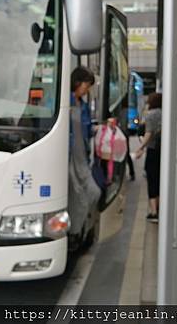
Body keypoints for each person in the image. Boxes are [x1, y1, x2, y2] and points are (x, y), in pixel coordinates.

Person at [68, 66, 102, 237]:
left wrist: (97, 129)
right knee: (76, 195)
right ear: (77, 82)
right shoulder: (64, 102)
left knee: (93, 193)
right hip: (68, 156)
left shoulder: (84, 106)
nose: (87, 89)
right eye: (86, 85)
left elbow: (87, 129)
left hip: (82, 155)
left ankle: (77, 227)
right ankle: (74, 232)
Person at [135, 92, 162, 223]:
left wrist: (140, 148)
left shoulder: (151, 115)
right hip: (163, 151)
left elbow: (148, 134)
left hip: (153, 151)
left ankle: (154, 212)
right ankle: (161, 208)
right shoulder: (165, 112)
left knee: (152, 180)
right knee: (160, 179)